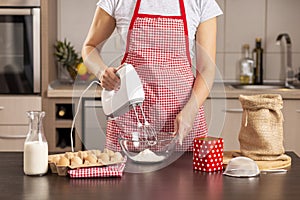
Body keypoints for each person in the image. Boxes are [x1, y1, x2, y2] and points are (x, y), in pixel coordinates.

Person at [82, 0, 223, 151]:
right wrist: (101, 71)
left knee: (186, 174)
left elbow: (207, 68)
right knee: (126, 173)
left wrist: (191, 110)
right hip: (129, 118)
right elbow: (89, 47)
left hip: (183, 119)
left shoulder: (201, 2)